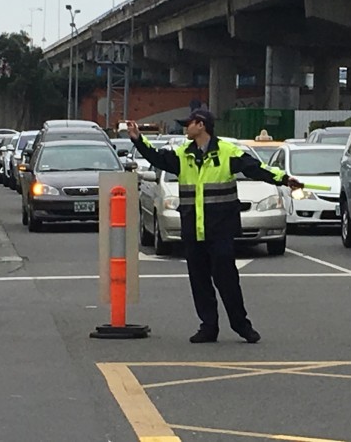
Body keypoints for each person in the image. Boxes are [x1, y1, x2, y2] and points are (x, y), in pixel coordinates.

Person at [127, 110, 303, 343]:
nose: (185, 128)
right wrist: (138, 139)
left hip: (220, 229)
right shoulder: (183, 154)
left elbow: (255, 168)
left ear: (201, 125)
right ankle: (208, 327)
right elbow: (158, 158)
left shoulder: (227, 152)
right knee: (199, 282)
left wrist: (283, 179)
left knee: (227, 280)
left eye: (188, 124)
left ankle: (241, 325)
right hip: (193, 229)